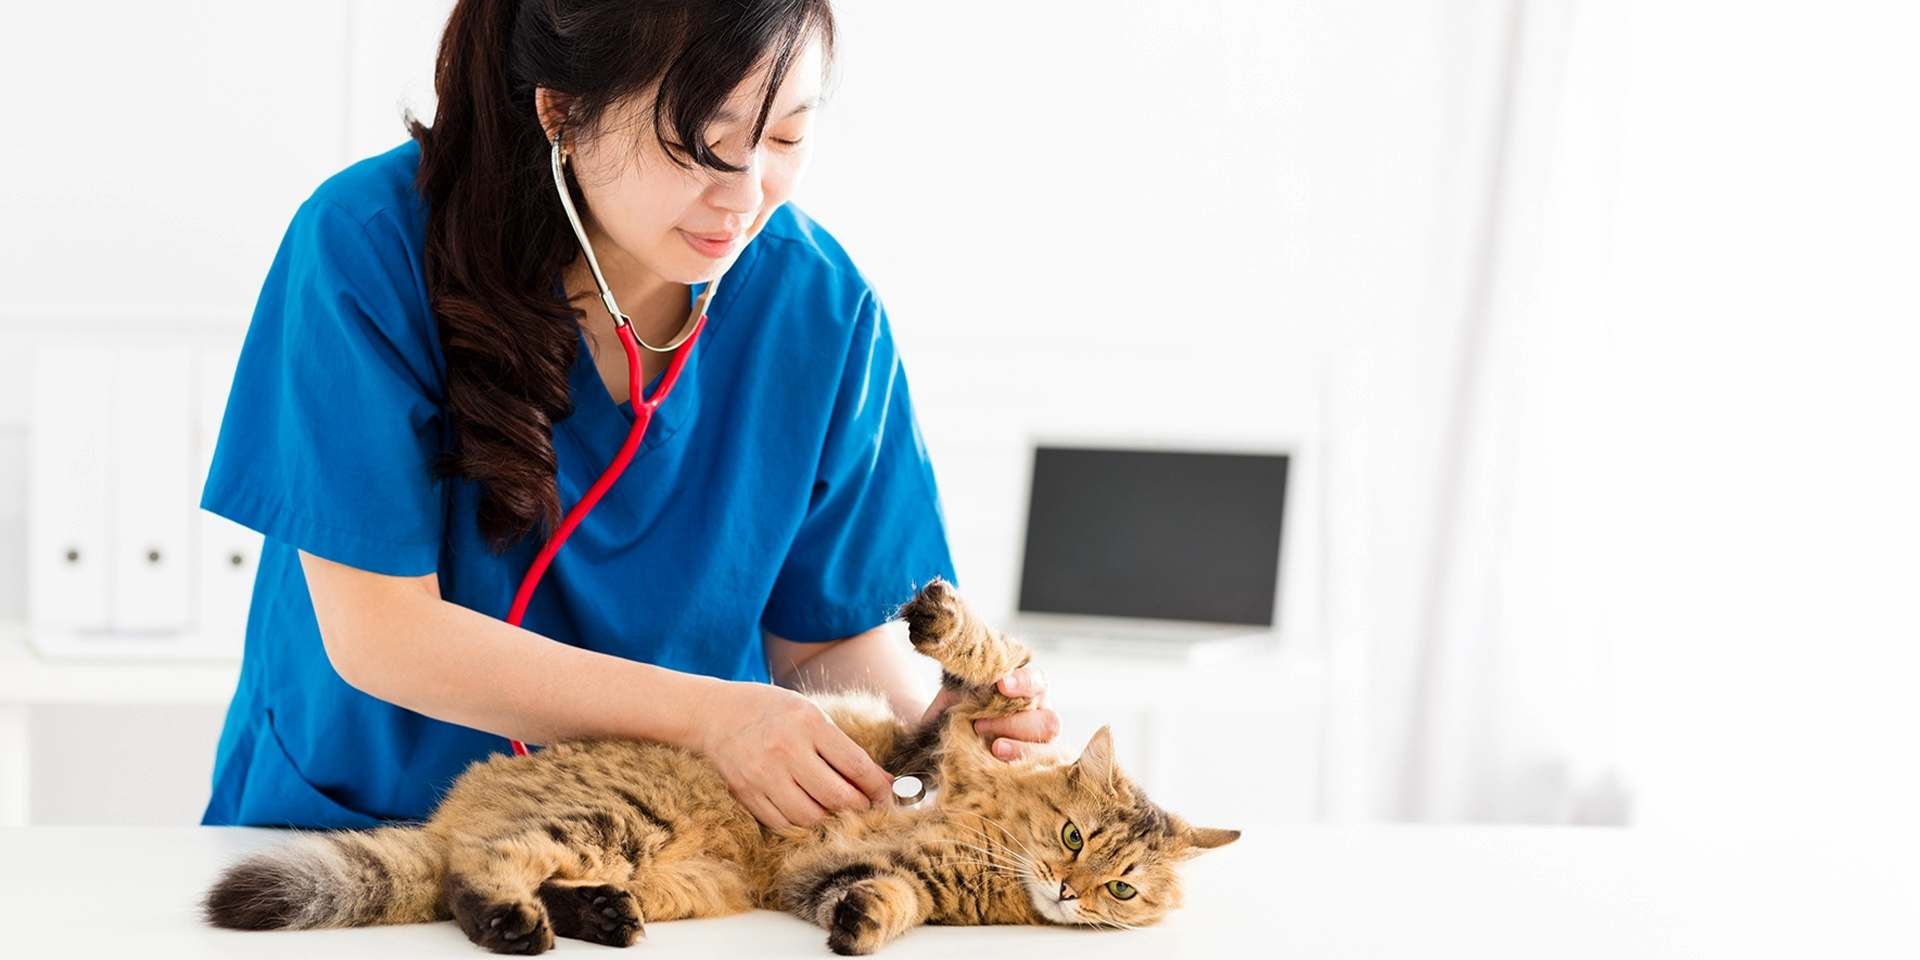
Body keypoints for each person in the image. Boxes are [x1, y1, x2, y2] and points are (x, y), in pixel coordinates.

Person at [198, 0, 1056, 833]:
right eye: (702, 147)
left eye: (786, 137)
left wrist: (931, 727)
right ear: (563, 112)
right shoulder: (368, 245)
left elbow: (820, 649)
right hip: (363, 836)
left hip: (647, 860)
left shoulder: (820, 310)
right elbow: (384, 634)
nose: (747, 197)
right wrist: (709, 718)